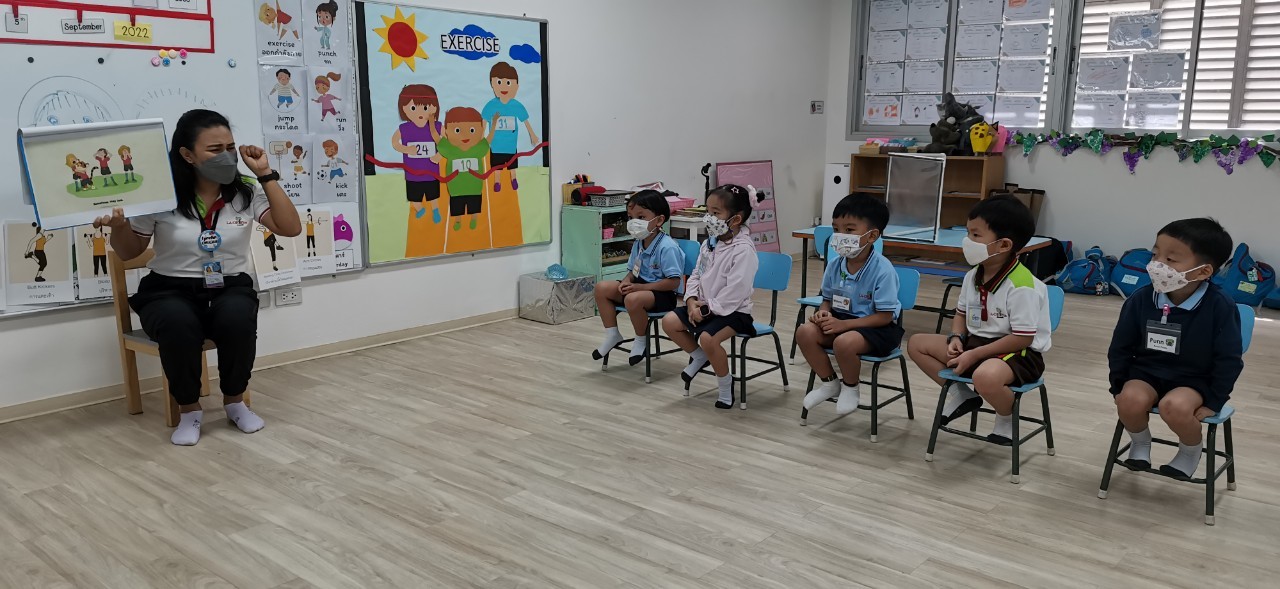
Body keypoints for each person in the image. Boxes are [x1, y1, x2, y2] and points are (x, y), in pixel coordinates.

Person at [94, 109, 302, 446]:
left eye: (230, 148)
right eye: (215, 149)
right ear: (187, 155)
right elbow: (130, 251)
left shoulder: (245, 192)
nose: (227, 156)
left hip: (228, 285)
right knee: (177, 323)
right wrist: (119, 227)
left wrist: (265, 174)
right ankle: (189, 410)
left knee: (237, 317)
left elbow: (291, 228)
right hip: (169, 289)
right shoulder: (160, 196)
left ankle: (235, 402)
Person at [907, 195, 1051, 445]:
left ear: (1003, 245)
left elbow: (1022, 338)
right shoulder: (973, 275)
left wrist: (974, 355)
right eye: (968, 232)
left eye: (975, 235)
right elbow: (961, 313)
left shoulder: (1022, 286)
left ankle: (1006, 418)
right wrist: (956, 337)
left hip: (1017, 354)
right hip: (976, 344)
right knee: (917, 344)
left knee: (985, 377)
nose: (967, 241)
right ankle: (961, 394)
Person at [1108, 218, 1242, 480]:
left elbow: (1229, 359)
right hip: (1146, 372)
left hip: (1194, 380)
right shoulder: (1141, 298)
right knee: (1129, 400)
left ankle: (1190, 451)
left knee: (1175, 407)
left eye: (1170, 259)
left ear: (1203, 271)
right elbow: (1120, 346)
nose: (1157, 265)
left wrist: (1215, 400)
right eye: (1155, 254)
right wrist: (1118, 384)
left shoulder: (1220, 306)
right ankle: (1140, 443)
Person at [661, 184, 762, 409]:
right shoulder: (709, 243)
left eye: (715, 213)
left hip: (735, 312)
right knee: (669, 322)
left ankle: (725, 386)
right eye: (707, 211)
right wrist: (690, 302)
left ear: (735, 219)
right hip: (703, 307)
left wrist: (705, 310)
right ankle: (700, 357)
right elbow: (696, 274)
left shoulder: (743, 250)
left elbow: (735, 293)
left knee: (708, 339)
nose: (709, 217)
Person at [798, 194, 901, 415]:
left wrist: (843, 325)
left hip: (877, 328)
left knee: (844, 343)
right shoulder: (835, 265)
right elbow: (827, 300)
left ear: (872, 235)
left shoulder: (883, 270)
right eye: (836, 229)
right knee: (805, 332)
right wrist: (823, 314)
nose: (840, 236)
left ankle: (851, 387)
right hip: (841, 320)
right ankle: (829, 383)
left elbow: (885, 316)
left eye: (849, 230)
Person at [592, 190, 685, 366]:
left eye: (641, 217)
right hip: (639, 288)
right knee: (601, 288)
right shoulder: (638, 243)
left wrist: (640, 288)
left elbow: (674, 282)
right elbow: (633, 271)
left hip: (662, 294)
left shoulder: (667, 247)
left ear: (659, 220)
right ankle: (612, 334)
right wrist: (627, 281)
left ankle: (641, 340)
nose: (634, 222)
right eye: (631, 217)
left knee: (633, 299)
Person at [481, 62, 539, 193]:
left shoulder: (516, 105)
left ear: (516, 86)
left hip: (511, 146)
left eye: (508, 83)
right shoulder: (491, 106)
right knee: (497, 167)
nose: (503, 87)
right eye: (499, 82)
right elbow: (484, 122)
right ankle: (497, 181)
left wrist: (533, 135)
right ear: (492, 84)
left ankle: (513, 178)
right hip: (496, 146)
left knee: (512, 165)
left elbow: (525, 121)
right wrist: (481, 139)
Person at [390, 84, 444, 222]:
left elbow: (447, 143)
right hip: (412, 174)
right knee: (414, 197)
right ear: (403, 108)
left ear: (434, 108)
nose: (420, 113)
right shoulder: (404, 128)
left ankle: (435, 210)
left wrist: (439, 155)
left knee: (433, 196)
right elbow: (395, 142)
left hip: (431, 172)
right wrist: (406, 149)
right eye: (413, 108)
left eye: (425, 108)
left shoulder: (437, 127)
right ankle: (420, 209)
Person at [434, 107, 490, 232]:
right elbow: (437, 138)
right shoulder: (451, 149)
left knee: (474, 205)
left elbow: (488, 139)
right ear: (447, 131)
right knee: (457, 206)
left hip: (474, 188)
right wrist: (432, 124)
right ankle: (458, 220)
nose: (465, 136)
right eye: (457, 130)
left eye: (472, 130)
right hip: (456, 189)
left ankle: (474, 218)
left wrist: (494, 123)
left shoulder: (478, 149)